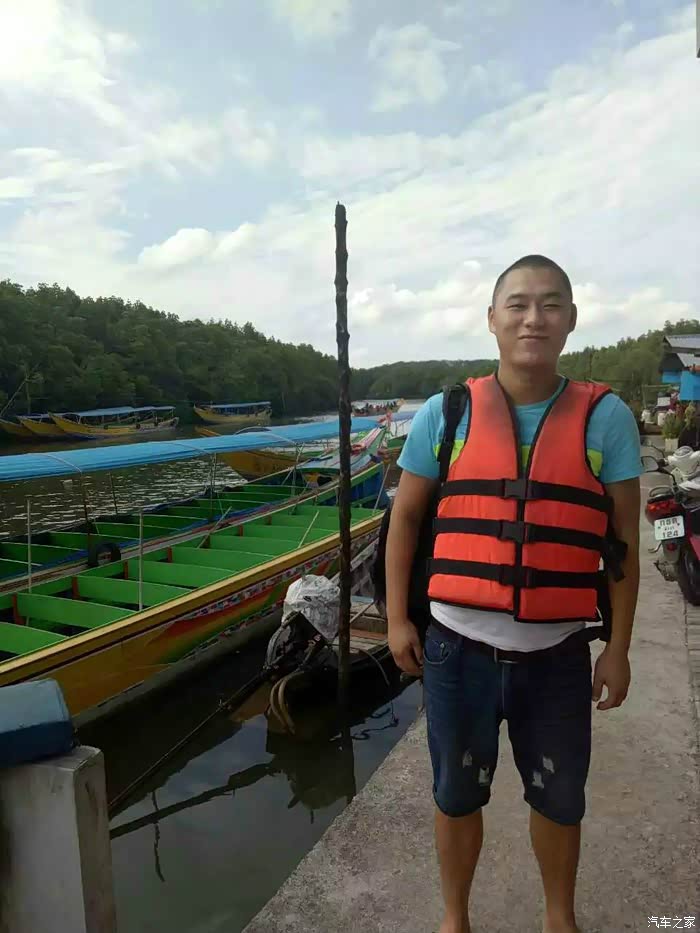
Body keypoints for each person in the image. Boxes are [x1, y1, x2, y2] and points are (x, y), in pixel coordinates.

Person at [385, 255, 641, 933]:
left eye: (551, 304)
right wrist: (396, 619)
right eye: (519, 304)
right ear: (492, 319)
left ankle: (560, 918)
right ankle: (455, 918)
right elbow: (404, 519)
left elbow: (623, 547)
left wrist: (618, 648)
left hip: (556, 655)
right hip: (455, 650)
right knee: (455, 793)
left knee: (560, 799)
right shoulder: (446, 414)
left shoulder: (606, 419)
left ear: (571, 320)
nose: (534, 318)